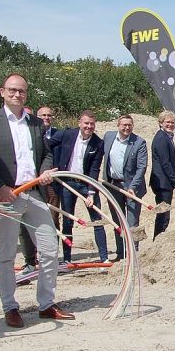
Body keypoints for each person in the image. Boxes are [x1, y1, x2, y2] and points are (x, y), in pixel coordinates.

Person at [0, 73, 73, 329]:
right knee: (6, 254)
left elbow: (47, 153)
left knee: (50, 249)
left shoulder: (34, 123)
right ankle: (10, 307)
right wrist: (0, 187)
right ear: (2, 92)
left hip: (33, 193)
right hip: (7, 195)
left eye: (22, 91)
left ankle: (46, 304)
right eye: (12, 90)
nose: (17, 94)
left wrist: (46, 171)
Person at [48, 111, 108, 263]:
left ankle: (104, 258)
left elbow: (95, 169)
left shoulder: (98, 143)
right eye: (86, 123)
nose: (89, 126)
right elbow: (47, 145)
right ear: (79, 123)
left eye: (92, 124)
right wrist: (51, 166)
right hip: (67, 182)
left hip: (86, 183)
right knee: (68, 220)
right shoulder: (67, 135)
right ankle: (67, 259)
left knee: (97, 219)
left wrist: (91, 193)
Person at [102, 114, 148, 260]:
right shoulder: (108, 137)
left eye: (129, 125)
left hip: (132, 188)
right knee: (118, 221)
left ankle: (133, 254)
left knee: (132, 222)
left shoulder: (139, 142)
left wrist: (133, 187)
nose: (127, 128)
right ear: (118, 125)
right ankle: (121, 253)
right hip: (113, 185)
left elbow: (141, 167)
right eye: (124, 125)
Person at [149, 110, 175, 239]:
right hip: (162, 182)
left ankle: (159, 238)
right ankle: (158, 239)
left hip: (164, 182)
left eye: (172, 122)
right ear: (161, 123)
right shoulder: (161, 138)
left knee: (164, 213)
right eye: (167, 122)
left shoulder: (166, 137)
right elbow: (165, 163)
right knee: (163, 214)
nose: (170, 124)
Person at [36, 106, 61, 230]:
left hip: (53, 182)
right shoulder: (32, 134)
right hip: (35, 182)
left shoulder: (59, 135)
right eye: (43, 115)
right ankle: (33, 249)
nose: (46, 117)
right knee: (35, 218)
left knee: (53, 217)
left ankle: (54, 249)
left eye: (49, 115)